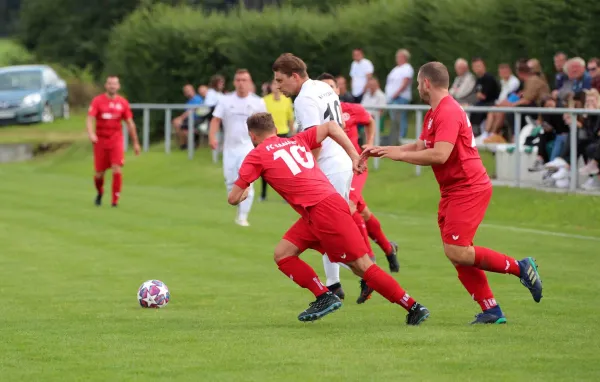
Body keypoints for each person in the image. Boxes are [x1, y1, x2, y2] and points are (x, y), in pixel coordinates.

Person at [361, 62, 544, 324]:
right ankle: (490, 309)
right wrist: (383, 149)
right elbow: (420, 145)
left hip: (468, 187)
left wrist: (398, 155)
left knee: (457, 250)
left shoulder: (447, 110)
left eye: (417, 83)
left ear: (426, 83)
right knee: (455, 250)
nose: (416, 88)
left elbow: (440, 154)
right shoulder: (434, 112)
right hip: (453, 189)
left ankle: (521, 267)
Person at [227, 112, 430, 325]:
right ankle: (324, 295)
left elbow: (233, 198)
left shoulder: (256, 155)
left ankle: (414, 306)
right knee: (283, 254)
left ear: (252, 136)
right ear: (276, 130)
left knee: (361, 266)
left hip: (323, 210)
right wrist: (353, 155)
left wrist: (246, 191)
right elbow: (332, 126)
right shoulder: (296, 140)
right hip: (317, 210)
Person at [273, 53, 399, 301]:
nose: (278, 86)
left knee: (331, 230)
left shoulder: (304, 100)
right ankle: (335, 285)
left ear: (295, 76)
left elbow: (315, 141)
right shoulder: (321, 87)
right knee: (328, 229)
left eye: (280, 80)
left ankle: (366, 274)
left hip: (329, 167)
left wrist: (305, 172)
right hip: (340, 163)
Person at [317, 73, 400, 304]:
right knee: (361, 212)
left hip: (354, 167)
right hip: (332, 172)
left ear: (338, 90)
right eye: (323, 88)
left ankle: (368, 263)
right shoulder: (316, 112)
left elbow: (370, 120)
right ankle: (388, 248)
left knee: (347, 210)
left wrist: (370, 142)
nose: (328, 91)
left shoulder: (350, 109)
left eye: (331, 87)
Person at [208, 69, 267, 227]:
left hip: (249, 148)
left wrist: (264, 145)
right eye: (238, 80)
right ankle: (239, 208)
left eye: (244, 80)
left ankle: (243, 216)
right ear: (234, 82)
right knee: (230, 182)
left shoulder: (258, 102)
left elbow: (265, 126)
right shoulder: (226, 101)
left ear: (250, 82)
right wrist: (212, 137)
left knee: (248, 182)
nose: (241, 83)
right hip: (229, 148)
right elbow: (215, 120)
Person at [87, 75, 140, 208]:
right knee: (99, 174)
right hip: (100, 140)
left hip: (116, 139)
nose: (112, 86)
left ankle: (115, 200)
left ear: (118, 86)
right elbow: (90, 118)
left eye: (115, 84)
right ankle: (100, 192)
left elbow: (130, 123)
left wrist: (135, 142)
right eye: (110, 84)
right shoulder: (97, 101)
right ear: (106, 85)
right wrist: (91, 134)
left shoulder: (123, 102)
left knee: (117, 167)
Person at [260, 79, 295, 201]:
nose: (276, 86)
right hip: (268, 136)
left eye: (278, 84)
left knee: (285, 166)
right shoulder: (265, 100)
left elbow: (290, 119)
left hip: (283, 134)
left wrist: (293, 134)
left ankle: (286, 195)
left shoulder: (286, 100)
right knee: (265, 165)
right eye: (274, 84)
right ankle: (263, 194)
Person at [173, 84, 204, 150]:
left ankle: (187, 145)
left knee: (178, 124)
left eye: (189, 90)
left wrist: (181, 118)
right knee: (177, 123)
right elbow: (187, 112)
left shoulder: (198, 99)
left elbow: (191, 110)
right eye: (186, 91)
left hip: (198, 120)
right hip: (189, 120)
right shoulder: (188, 102)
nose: (188, 92)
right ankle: (184, 145)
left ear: (193, 90)